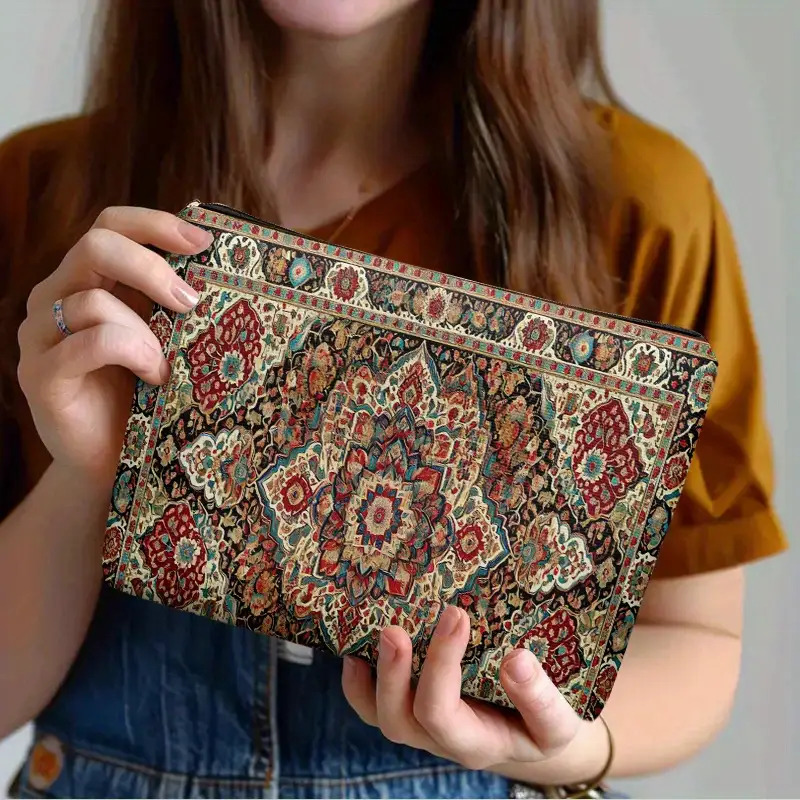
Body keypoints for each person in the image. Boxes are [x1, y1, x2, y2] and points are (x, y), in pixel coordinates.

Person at [0, 1, 787, 798]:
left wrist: (561, 745)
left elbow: (695, 635)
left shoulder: (636, 205)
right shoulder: (44, 194)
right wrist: (86, 477)